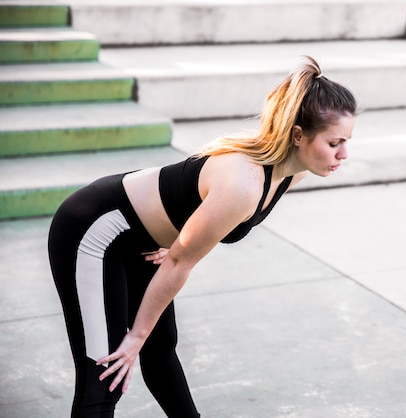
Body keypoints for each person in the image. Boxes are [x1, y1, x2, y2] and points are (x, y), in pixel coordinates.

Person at [48, 56, 357, 417]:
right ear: (299, 136)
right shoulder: (245, 181)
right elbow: (181, 259)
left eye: (347, 141)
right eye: (335, 142)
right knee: (105, 373)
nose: (344, 154)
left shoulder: (292, 172)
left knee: (161, 347)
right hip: (95, 229)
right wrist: (134, 337)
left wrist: (170, 238)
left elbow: (187, 228)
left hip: (141, 240)